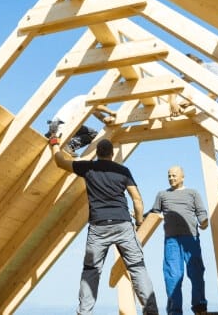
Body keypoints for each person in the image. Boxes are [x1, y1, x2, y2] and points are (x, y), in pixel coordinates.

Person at [50, 135, 159, 315]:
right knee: (137, 267)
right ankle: (151, 311)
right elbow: (137, 200)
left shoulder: (88, 167)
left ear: (97, 153)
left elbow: (60, 161)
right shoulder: (123, 171)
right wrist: (139, 222)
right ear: (112, 153)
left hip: (98, 227)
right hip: (123, 224)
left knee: (91, 271)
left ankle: (84, 312)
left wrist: (54, 142)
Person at [149, 166, 209, 315]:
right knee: (172, 276)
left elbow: (201, 212)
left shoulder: (193, 193)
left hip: (191, 239)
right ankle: (174, 311)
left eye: (174, 176)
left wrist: (204, 221)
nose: (171, 178)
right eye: (169, 176)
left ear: (183, 177)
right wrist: (140, 217)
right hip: (172, 241)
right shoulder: (162, 195)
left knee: (196, 273)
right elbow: (153, 213)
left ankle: (200, 308)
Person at [45, 94, 117, 154]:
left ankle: (58, 138)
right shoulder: (87, 99)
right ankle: (70, 145)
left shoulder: (85, 102)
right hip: (64, 124)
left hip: (56, 125)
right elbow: (96, 105)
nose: (104, 107)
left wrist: (106, 120)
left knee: (90, 132)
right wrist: (110, 112)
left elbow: (99, 115)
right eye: (104, 105)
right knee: (93, 134)